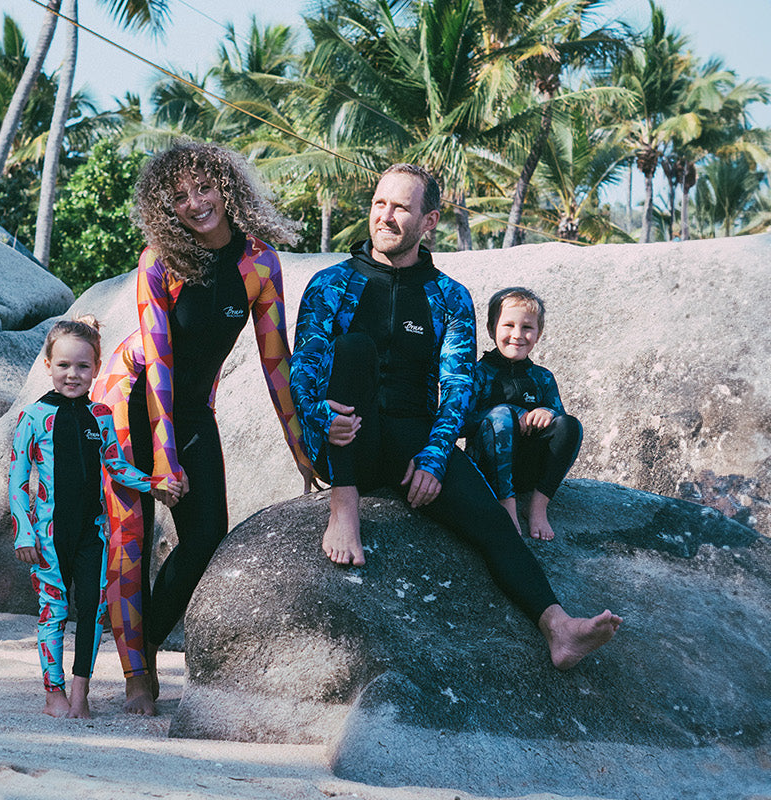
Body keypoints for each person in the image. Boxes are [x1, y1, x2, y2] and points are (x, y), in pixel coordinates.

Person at [289, 163, 620, 669]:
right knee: (353, 348)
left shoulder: (449, 297)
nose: (386, 216)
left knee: (490, 522)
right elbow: (305, 369)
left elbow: (459, 386)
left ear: (428, 222)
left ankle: (559, 627)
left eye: (401, 207)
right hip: (345, 435)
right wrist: (318, 417)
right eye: (380, 203)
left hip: (413, 441)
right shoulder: (330, 285)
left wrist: (436, 456)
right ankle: (344, 505)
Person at [91, 140, 316, 715]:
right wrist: (161, 461)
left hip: (190, 407)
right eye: (180, 196)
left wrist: (302, 448)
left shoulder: (259, 264)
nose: (195, 203)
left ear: (227, 186)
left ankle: (143, 641)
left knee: (206, 532)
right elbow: (159, 364)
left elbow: (276, 362)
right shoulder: (159, 262)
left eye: (204, 188)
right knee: (130, 537)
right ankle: (138, 676)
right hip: (130, 401)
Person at [9, 317, 163, 718]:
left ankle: (81, 694)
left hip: (94, 533)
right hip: (48, 537)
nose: (72, 374)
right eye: (63, 366)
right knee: (54, 612)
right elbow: (17, 478)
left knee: (93, 613)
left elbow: (116, 465)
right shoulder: (34, 417)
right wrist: (24, 533)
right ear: (48, 366)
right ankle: (53, 693)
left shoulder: (101, 414)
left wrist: (153, 484)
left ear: (96, 368)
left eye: (82, 366)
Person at [464, 288, 582, 541]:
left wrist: (547, 412)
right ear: (490, 329)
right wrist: (510, 413)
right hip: (487, 468)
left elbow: (561, 427)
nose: (517, 335)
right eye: (508, 325)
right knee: (501, 416)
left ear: (538, 334)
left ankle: (537, 507)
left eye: (527, 327)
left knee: (570, 424)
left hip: (526, 470)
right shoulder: (477, 374)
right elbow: (462, 422)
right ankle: (506, 505)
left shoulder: (542, 377)